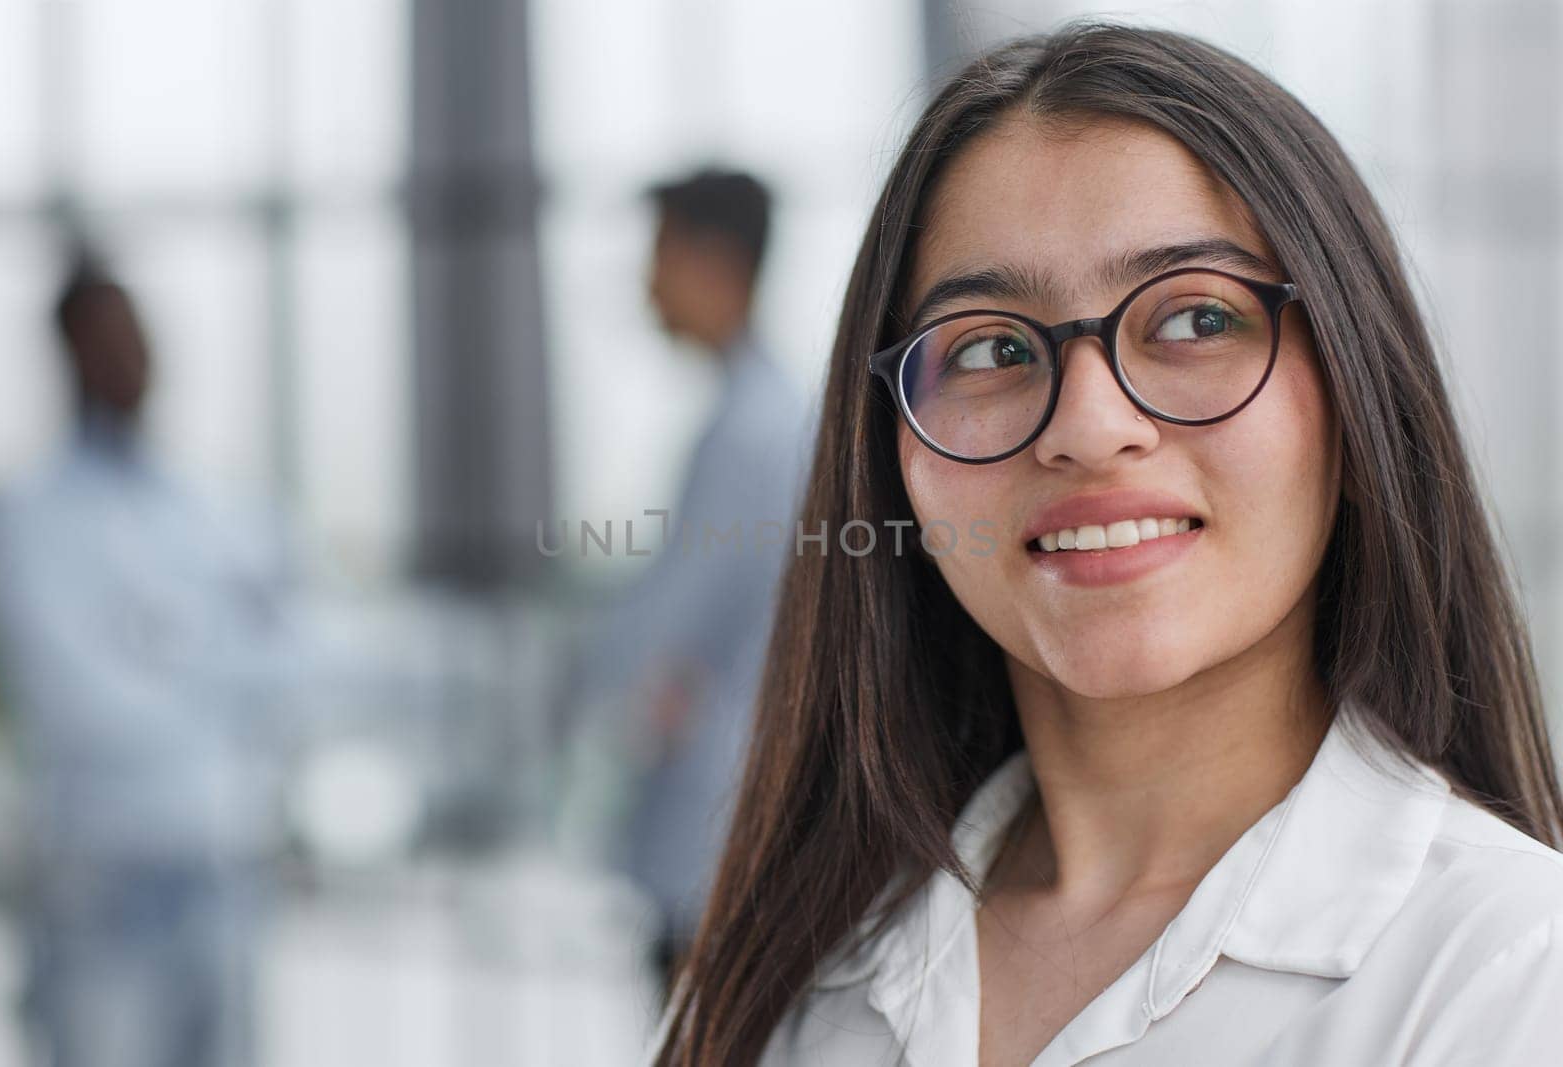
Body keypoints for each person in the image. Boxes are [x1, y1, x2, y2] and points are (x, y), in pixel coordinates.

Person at [649, 22, 1563, 1067]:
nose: (1086, 427)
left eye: (1194, 321)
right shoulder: (792, 981)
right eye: (991, 347)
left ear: (1357, 386)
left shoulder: (1508, 969)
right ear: (891, 455)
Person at [0, 252, 298, 1067]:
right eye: (106, 338)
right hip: (101, 875)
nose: (130, 356)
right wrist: (211, 673)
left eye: (137, 334)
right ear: (70, 355)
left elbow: (286, 660)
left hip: (222, 863)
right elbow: (73, 698)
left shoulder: (212, 506)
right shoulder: (30, 515)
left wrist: (167, 654)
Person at [579, 167, 811, 998]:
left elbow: (665, 629)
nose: (646, 281)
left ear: (715, 262)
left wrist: (593, 673)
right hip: (730, 816)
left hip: (721, 828)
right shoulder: (766, 416)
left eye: (660, 252)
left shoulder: (751, 432)